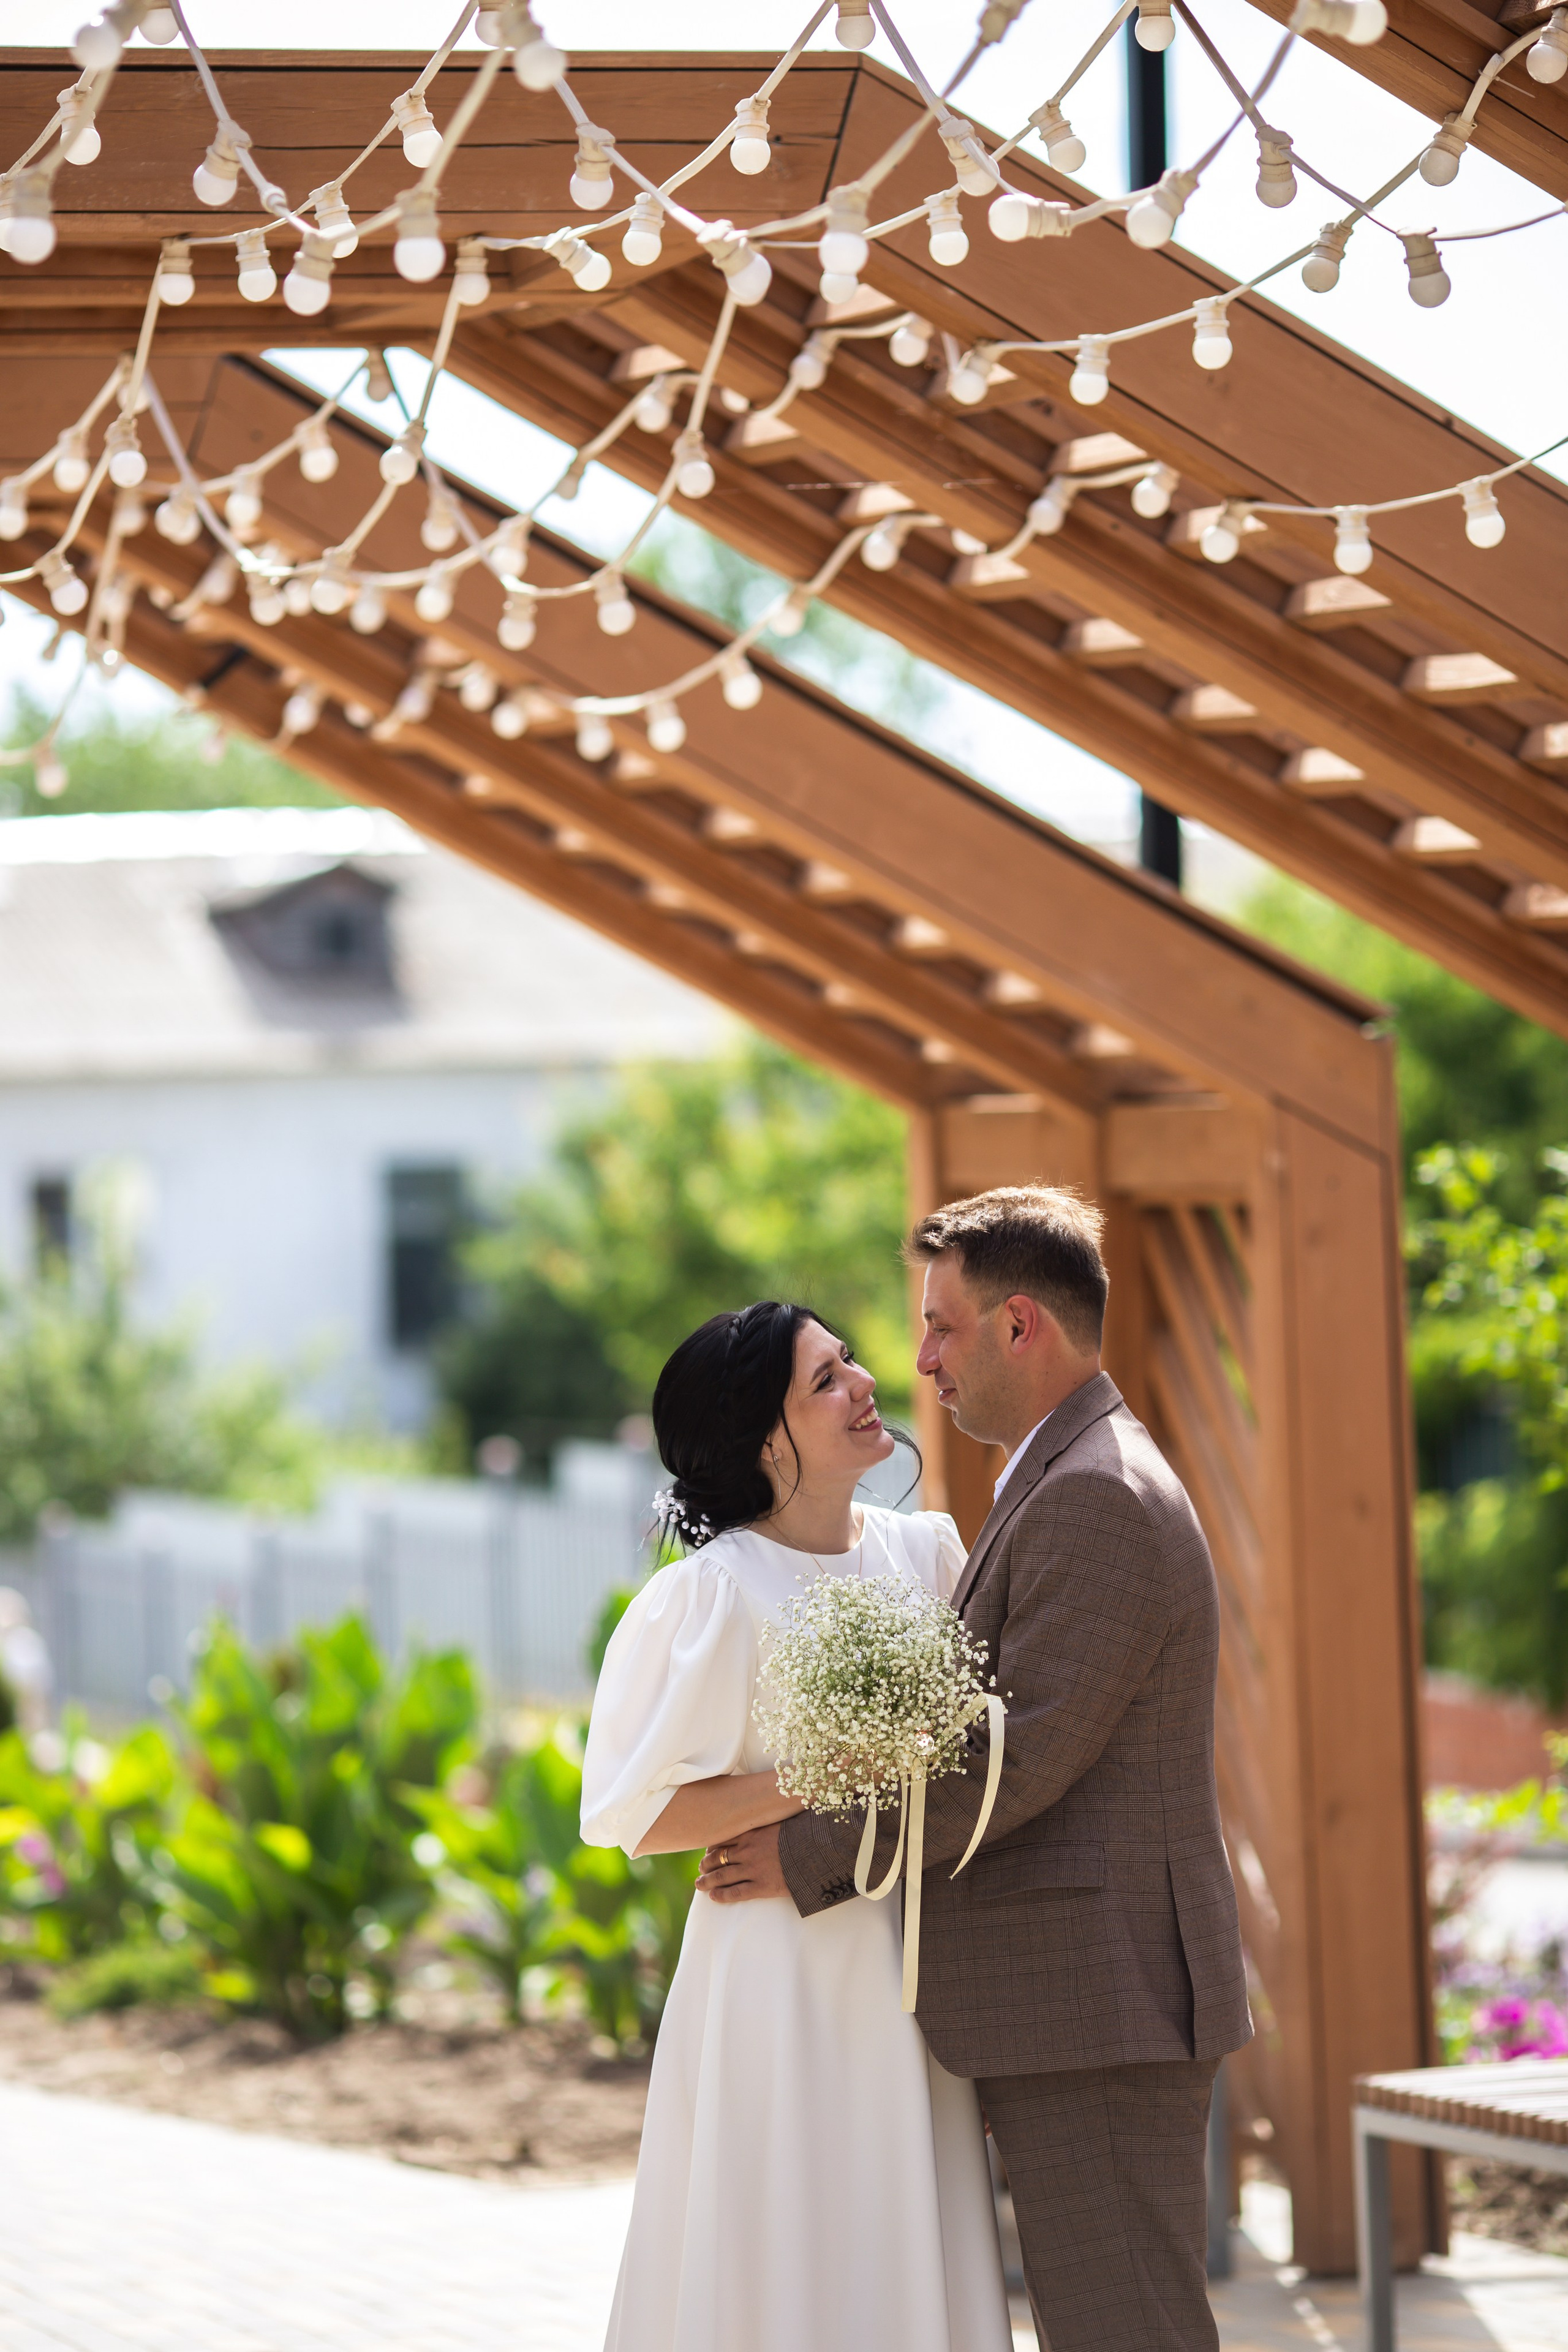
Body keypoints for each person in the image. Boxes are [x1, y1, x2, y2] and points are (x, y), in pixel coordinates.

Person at [705, 1186, 1253, 2352]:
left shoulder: (1096, 1492)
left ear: (1020, 1327)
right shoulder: (1064, 1472)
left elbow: (1019, 1757)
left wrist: (806, 1852)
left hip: (1101, 2005)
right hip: (1077, 2002)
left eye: (942, 1328)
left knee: (1126, 2329)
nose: (922, 1361)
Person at [580, 1301, 1012, 2352]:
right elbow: (635, 1815)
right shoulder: (711, 1597)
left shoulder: (930, 1554)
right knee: (784, 2242)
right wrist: (824, 1775)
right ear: (762, 1439)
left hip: (909, 1964)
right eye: (825, 1380)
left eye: (848, 1361)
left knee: (904, 2223)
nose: (865, 1382)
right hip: (772, 1974)